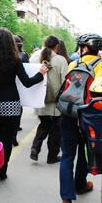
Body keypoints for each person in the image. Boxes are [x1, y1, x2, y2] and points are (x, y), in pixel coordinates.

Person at [0, 28, 47, 180]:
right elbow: (27, 82)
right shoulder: (15, 60)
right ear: (11, 43)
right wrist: (41, 73)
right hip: (11, 104)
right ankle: (3, 169)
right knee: (8, 139)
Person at [60, 33, 102, 203]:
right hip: (89, 115)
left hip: (68, 113)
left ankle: (66, 201)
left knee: (67, 156)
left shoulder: (73, 64)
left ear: (83, 48)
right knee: (85, 150)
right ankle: (80, 184)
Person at [29, 36, 67, 164]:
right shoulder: (61, 60)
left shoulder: (35, 58)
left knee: (43, 125)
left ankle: (35, 148)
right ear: (57, 46)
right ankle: (52, 156)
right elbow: (64, 82)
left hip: (40, 100)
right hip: (55, 102)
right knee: (55, 129)